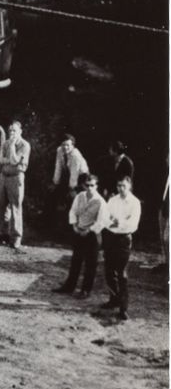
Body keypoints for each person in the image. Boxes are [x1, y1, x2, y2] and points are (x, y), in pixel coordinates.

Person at [99, 173, 142, 322]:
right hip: (111, 237)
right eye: (119, 186)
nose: (121, 188)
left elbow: (133, 224)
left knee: (122, 274)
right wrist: (112, 223)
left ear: (129, 185)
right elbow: (104, 218)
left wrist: (119, 223)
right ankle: (114, 299)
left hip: (124, 239)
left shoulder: (135, 203)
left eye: (124, 185)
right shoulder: (112, 200)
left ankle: (123, 308)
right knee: (109, 271)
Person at [59, 174, 106, 297]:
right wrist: (74, 225)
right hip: (79, 231)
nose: (89, 188)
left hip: (92, 235)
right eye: (87, 185)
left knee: (90, 263)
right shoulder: (80, 196)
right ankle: (69, 286)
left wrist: (89, 230)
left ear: (96, 186)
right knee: (76, 260)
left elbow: (101, 221)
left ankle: (86, 290)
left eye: (92, 185)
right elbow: (73, 211)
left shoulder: (100, 202)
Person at [0, 119, 31, 249]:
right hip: (3, 177)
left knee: (16, 207)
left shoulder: (24, 145)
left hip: (16, 178)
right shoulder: (5, 143)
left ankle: (16, 237)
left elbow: (15, 161)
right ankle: (4, 233)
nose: (12, 132)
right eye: (10, 130)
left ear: (20, 131)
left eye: (14, 130)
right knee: (3, 206)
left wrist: (12, 148)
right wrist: (9, 160)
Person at [52, 132, 91, 234]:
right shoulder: (59, 150)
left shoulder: (76, 156)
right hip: (68, 175)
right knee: (54, 194)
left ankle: (72, 230)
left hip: (82, 178)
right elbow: (58, 167)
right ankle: (53, 227)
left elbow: (74, 175)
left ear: (72, 146)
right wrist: (56, 182)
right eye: (63, 144)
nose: (65, 147)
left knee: (72, 198)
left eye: (68, 145)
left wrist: (71, 189)